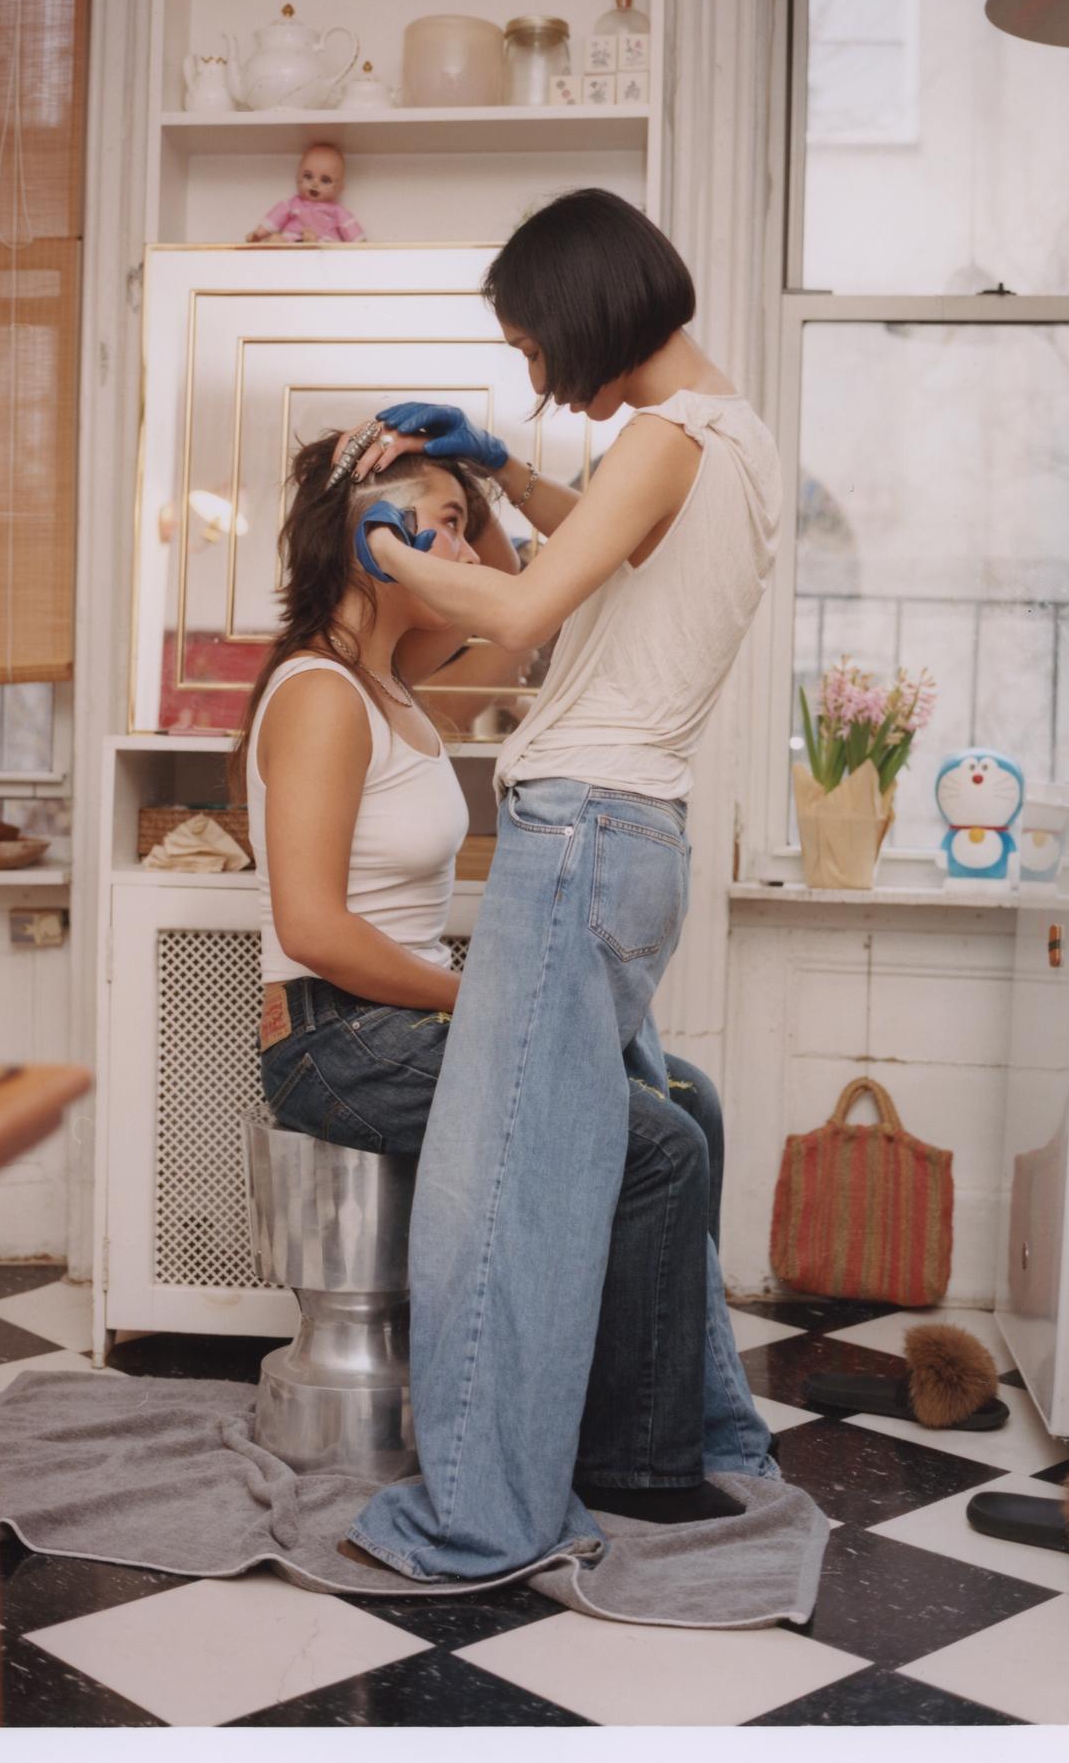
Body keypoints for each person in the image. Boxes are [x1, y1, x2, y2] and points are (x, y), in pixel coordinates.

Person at [337, 187, 786, 1581]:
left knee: (506, 1190)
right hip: (638, 837)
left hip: (578, 832)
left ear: (588, 317)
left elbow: (528, 611)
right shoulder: (734, 438)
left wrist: (394, 545)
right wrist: (508, 475)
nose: (532, 375)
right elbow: (605, 561)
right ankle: (684, 1437)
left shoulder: (666, 438)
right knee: (596, 1154)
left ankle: (481, 1513)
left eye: (533, 347)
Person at [234, 433, 745, 1515]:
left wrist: (484, 479)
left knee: (686, 1095)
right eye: (444, 521)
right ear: (368, 538)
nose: (469, 544)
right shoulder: (322, 694)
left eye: (467, 523)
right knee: (655, 1141)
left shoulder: (400, 689)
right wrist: (490, 1001)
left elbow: (533, 608)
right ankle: (632, 1463)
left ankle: (652, 1418)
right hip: (335, 1044)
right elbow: (314, 928)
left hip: (392, 1026)